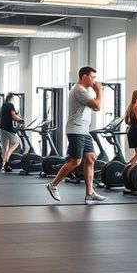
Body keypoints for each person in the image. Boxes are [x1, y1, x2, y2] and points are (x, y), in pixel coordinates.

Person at [45, 67, 107, 204]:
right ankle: (53, 185)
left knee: (91, 158)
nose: (94, 80)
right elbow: (97, 106)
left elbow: (95, 107)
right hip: (76, 130)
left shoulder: (84, 91)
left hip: (83, 130)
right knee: (75, 162)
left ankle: (90, 193)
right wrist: (99, 91)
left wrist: (96, 92)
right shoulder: (79, 90)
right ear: (84, 76)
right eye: (93, 77)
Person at [0, 93, 24, 172]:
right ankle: (7, 159)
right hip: (8, 128)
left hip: (2, 128)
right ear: (12, 98)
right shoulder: (10, 105)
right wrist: (21, 119)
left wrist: (18, 118)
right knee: (16, 142)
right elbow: (13, 116)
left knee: (4, 148)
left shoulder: (3, 105)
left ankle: (3, 165)